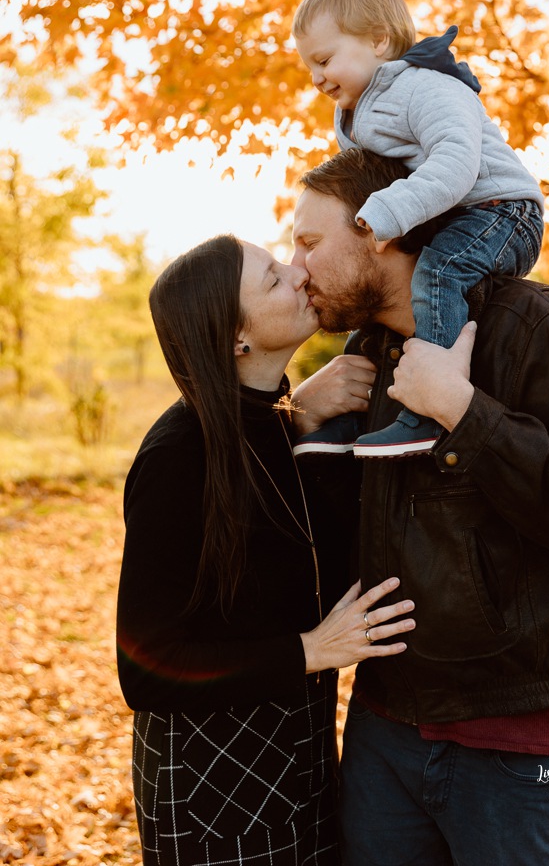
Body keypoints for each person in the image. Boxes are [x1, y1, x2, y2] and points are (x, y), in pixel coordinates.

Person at [291, 149, 549, 866]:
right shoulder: (367, 355)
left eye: (308, 243)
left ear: (380, 231)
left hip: (514, 736)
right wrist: (296, 419)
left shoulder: (531, 324)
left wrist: (461, 408)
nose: (297, 268)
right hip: (384, 725)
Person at [115, 234, 416, 866]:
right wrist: (311, 650)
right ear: (234, 338)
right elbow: (145, 668)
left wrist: (298, 413)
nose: (300, 272)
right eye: (274, 278)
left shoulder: (274, 425)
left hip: (299, 760)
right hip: (209, 785)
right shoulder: (178, 455)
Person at [292, 0, 545, 457]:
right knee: (376, 302)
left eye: (324, 60)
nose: (317, 78)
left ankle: (425, 411)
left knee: (439, 272)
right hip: (455, 215)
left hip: (502, 212)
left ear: (380, 41)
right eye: (310, 68)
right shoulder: (354, 113)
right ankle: (355, 415)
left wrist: (386, 211)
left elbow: (457, 163)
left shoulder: (427, 86)